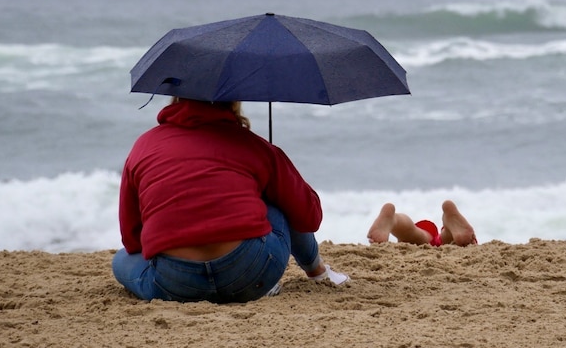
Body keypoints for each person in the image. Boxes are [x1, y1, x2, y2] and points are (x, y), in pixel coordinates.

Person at [112, 97, 348, 304]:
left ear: (177, 98)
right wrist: (272, 171)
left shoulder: (144, 146)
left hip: (177, 284)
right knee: (281, 203)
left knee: (121, 259)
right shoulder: (252, 145)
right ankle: (317, 272)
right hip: (253, 274)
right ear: (233, 101)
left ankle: (174, 282)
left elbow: (132, 240)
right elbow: (309, 216)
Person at [367, 200, 477, 247]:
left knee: (411, 233)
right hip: (449, 241)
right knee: (447, 237)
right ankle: (449, 225)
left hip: (422, 237)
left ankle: (394, 220)